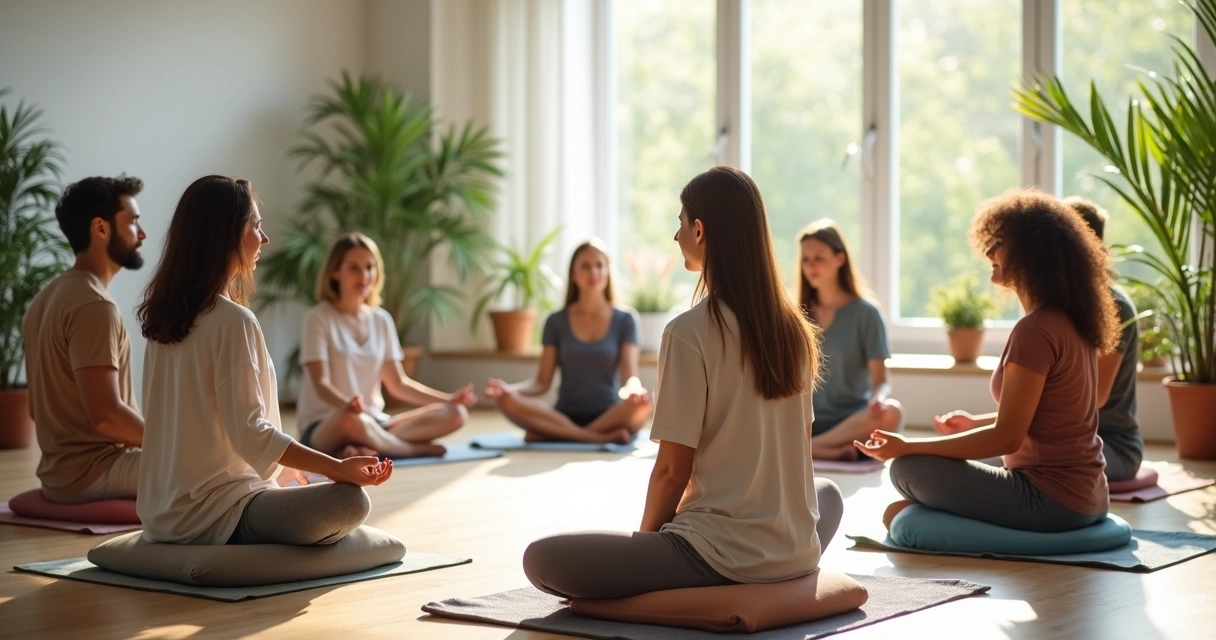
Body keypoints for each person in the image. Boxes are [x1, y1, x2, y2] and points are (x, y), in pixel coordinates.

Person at [522, 167, 867, 621]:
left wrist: (644, 551)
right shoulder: (797, 330)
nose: (675, 234)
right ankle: (768, 576)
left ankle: (673, 598)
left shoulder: (688, 332)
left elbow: (671, 471)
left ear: (699, 231)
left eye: (680, 222)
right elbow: (797, 451)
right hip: (794, 550)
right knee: (827, 494)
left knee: (541, 559)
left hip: (718, 553)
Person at [136, 176, 391, 545]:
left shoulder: (163, 319)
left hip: (160, 512)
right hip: (216, 512)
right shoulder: (233, 321)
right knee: (350, 501)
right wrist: (337, 468)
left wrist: (286, 469)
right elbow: (251, 431)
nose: (264, 238)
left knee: (306, 482)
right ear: (226, 235)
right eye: (256, 226)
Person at [859, 189, 1119, 533]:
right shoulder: (1070, 320)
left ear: (1032, 254)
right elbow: (1049, 415)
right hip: (1087, 496)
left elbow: (1006, 439)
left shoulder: (1036, 330)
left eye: (999, 243)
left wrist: (906, 445)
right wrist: (975, 424)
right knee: (923, 474)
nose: (988, 252)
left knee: (907, 468)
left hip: (1051, 501)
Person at [22, 176, 147, 504]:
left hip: (58, 475)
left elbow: (36, 410)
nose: (142, 233)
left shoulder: (43, 299)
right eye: (133, 222)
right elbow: (106, 415)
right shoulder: (94, 305)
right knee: (213, 463)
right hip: (96, 472)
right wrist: (170, 444)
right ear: (101, 228)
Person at [296, 232, 475, 459]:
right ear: (334, 272)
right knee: (351, 420)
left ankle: (362, 449)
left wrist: (449, 399)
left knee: (456, 414)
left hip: (375, 423)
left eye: (370, 267)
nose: (364, 275)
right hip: (329, 424)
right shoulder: (318, 318)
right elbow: (321, 384)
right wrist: (348, 405)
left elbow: (398, 384)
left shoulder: (381, 320)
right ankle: (410, 450)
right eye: (354, 267)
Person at [485, 239, 650, 444]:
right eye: (585, 266)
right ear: (573, 274)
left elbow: (630, 378)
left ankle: (557, 434)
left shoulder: (626, 319)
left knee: (642, 406)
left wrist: (635, 391)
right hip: (563, 415)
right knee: (505, 400)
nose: (594, 273)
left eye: (600, 265)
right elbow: (541, 383)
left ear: (608, 272)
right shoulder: (555, 321)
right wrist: (509, 391)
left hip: (609, 416)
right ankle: (592, 438)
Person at [795, 220, 902, 460]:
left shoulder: (867, 314)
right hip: (805, 418)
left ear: (840, 259)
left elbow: (881, 381)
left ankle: (808, 449)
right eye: (805, 259)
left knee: (893, 413)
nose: (811, 266)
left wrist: (878, 398)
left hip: (852, 420)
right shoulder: (796, 314)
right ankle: (821, 450)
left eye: (819, 258)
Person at [1062, 196, 1143, 481]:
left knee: (1003, 461)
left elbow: (1094, 398)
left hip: (1114, 447)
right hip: (1064, 438)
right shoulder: (1061, 304)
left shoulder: (1114, 307)